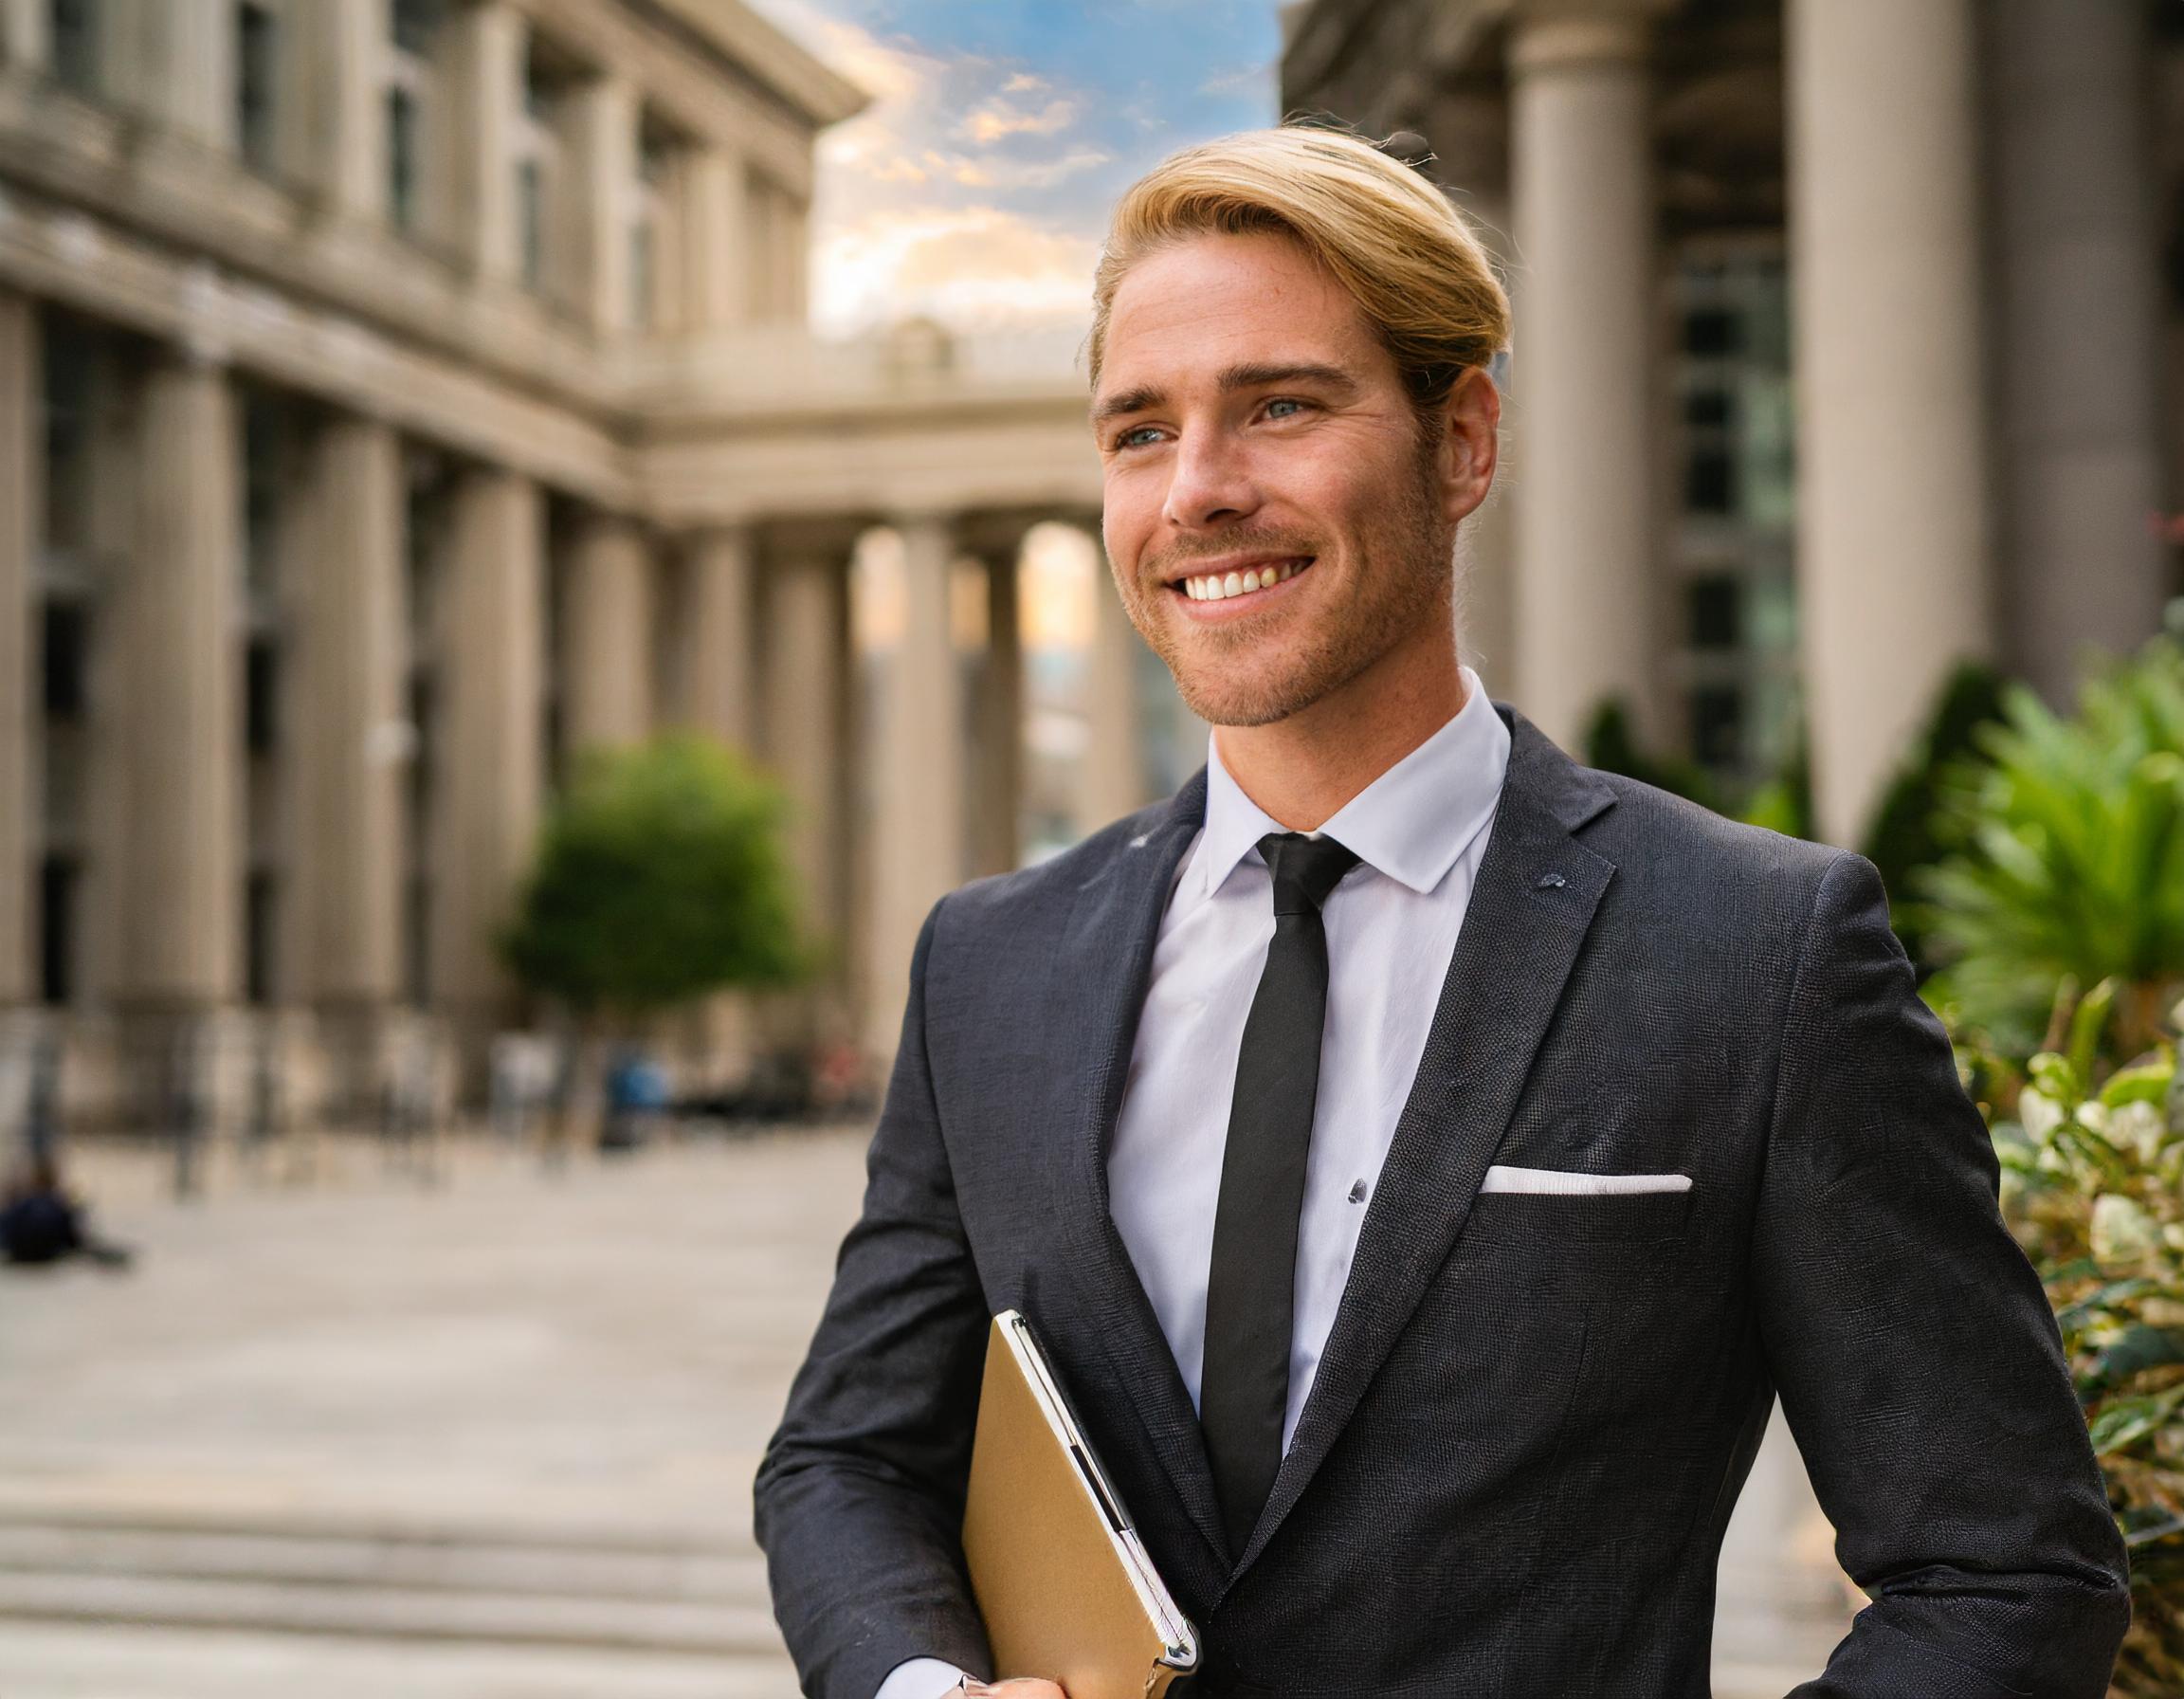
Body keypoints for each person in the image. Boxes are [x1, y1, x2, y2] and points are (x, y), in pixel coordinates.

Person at [754, 125, 2129, 1698]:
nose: (1196, 489)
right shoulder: (987, 963)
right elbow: (846, 1461)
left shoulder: (1757, 951)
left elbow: (2004, 1565)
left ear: (1458, 440)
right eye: (1139, 430)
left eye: (1276, 404)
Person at [0, 1154, 133, 1270]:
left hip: (21, 1253)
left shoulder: (22, 1203)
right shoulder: (59, 1204)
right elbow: (72, 1235)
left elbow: (5, 1228)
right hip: (49, 1253)